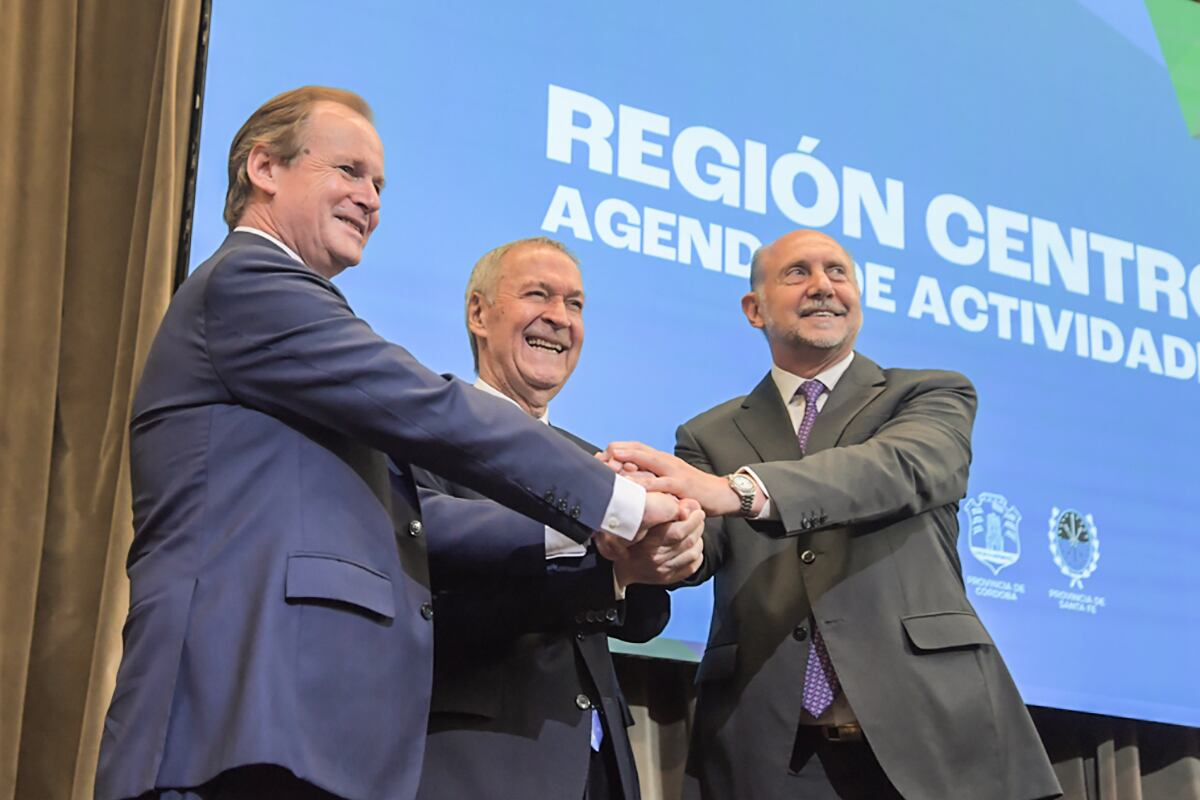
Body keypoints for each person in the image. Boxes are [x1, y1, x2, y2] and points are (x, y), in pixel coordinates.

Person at [94, 87, 681, 800]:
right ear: (264, 169)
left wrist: (594, 543)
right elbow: (434, 410)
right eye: (348, 171)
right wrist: (615, 501)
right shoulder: (252, 284)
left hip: (302, 735)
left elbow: (411, 518)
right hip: (234, 719)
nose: (370, 198)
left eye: (378, 183)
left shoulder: (289, 327)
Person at [604, 229, 1062, 799]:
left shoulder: (929, 396)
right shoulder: (707, 434)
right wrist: (654, 528)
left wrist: (741, 490)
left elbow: (891, 470)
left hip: (929, 739)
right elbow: (701, 550)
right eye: (797, 273)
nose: (823, 286)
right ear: (755, 309)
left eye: (838, 273)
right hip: (772, 752)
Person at [411, 237, 704, 800]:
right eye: (538, 295)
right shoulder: (426, 434)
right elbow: (430, 600)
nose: (559, 317)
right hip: (477, 759)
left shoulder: (593, 461)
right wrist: (608, 569)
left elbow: (643, 619)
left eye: (575, 304)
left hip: (596, 765)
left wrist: (666, 554)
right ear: (479, 313)